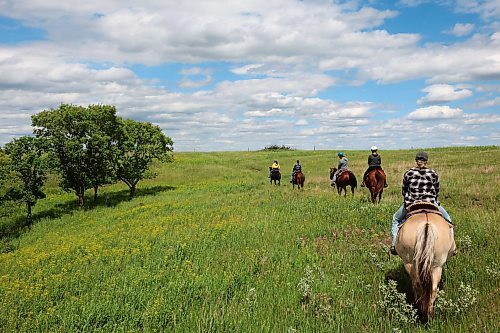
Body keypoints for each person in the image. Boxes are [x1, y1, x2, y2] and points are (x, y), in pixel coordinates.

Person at [390, 151, 452, 255]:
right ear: (426, 161)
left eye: (420, 159)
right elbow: (437, 190)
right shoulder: (433, 173)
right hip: (431, 203)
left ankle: (394, 244)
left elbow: (404, 190)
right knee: (448, 220)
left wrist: (408, 199)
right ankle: (451, 247)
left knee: (395, 219)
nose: (420, 161)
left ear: (416, 161)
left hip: (412, 203)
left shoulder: (408, 173)